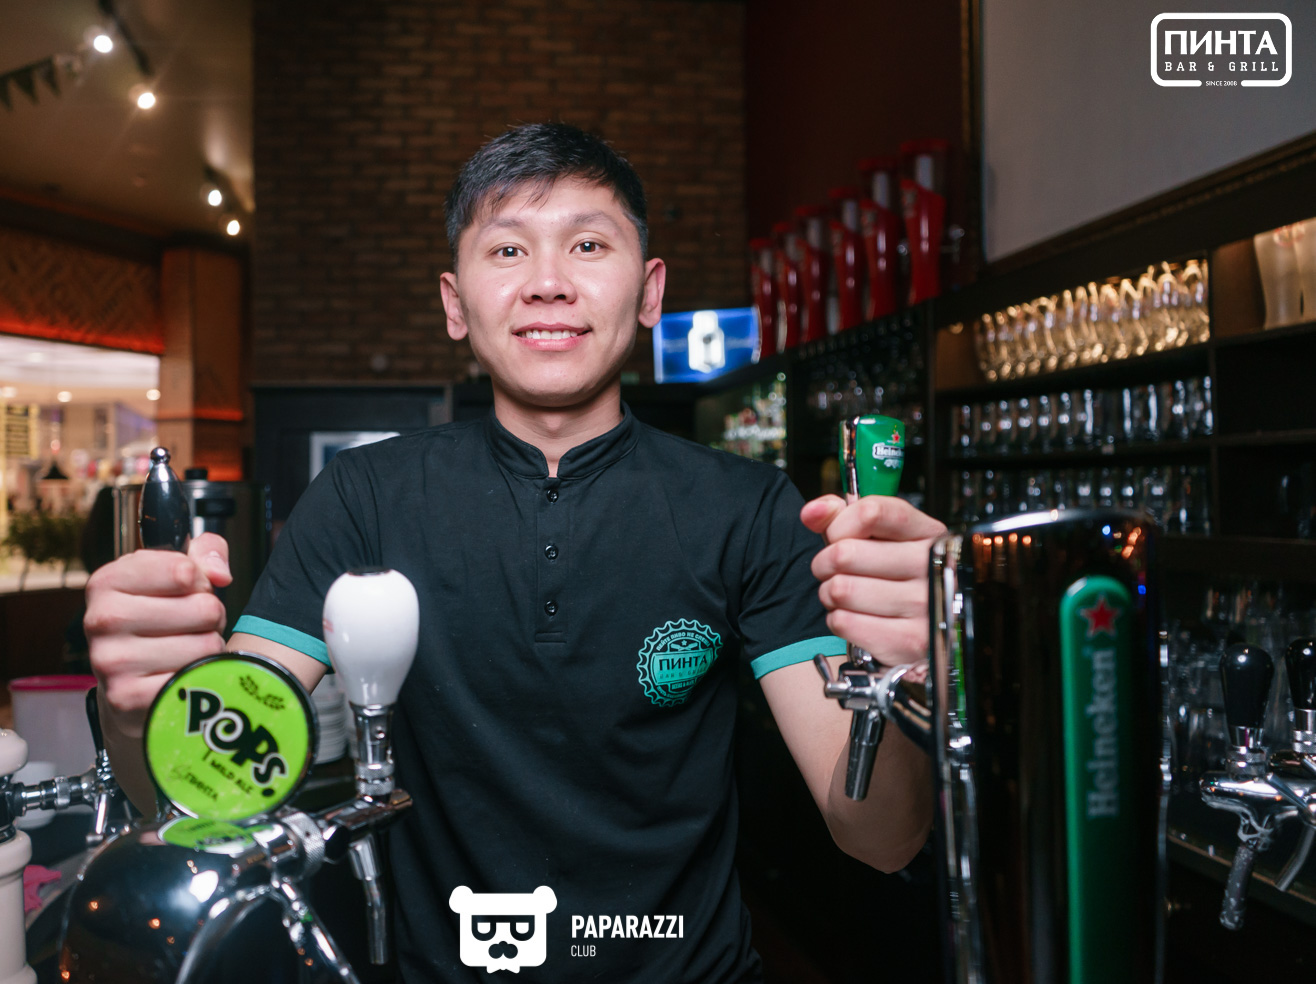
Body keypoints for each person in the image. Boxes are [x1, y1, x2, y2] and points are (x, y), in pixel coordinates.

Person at [86, 123, 943, 983]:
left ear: (650, 292)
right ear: (456, 304)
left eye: (588, 245)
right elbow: (203, 788)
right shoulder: (363, 497)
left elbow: (878, 836)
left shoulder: (748, 507)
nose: (547, 283)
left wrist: (907, 674)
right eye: (507, 249)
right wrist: (137, 708)